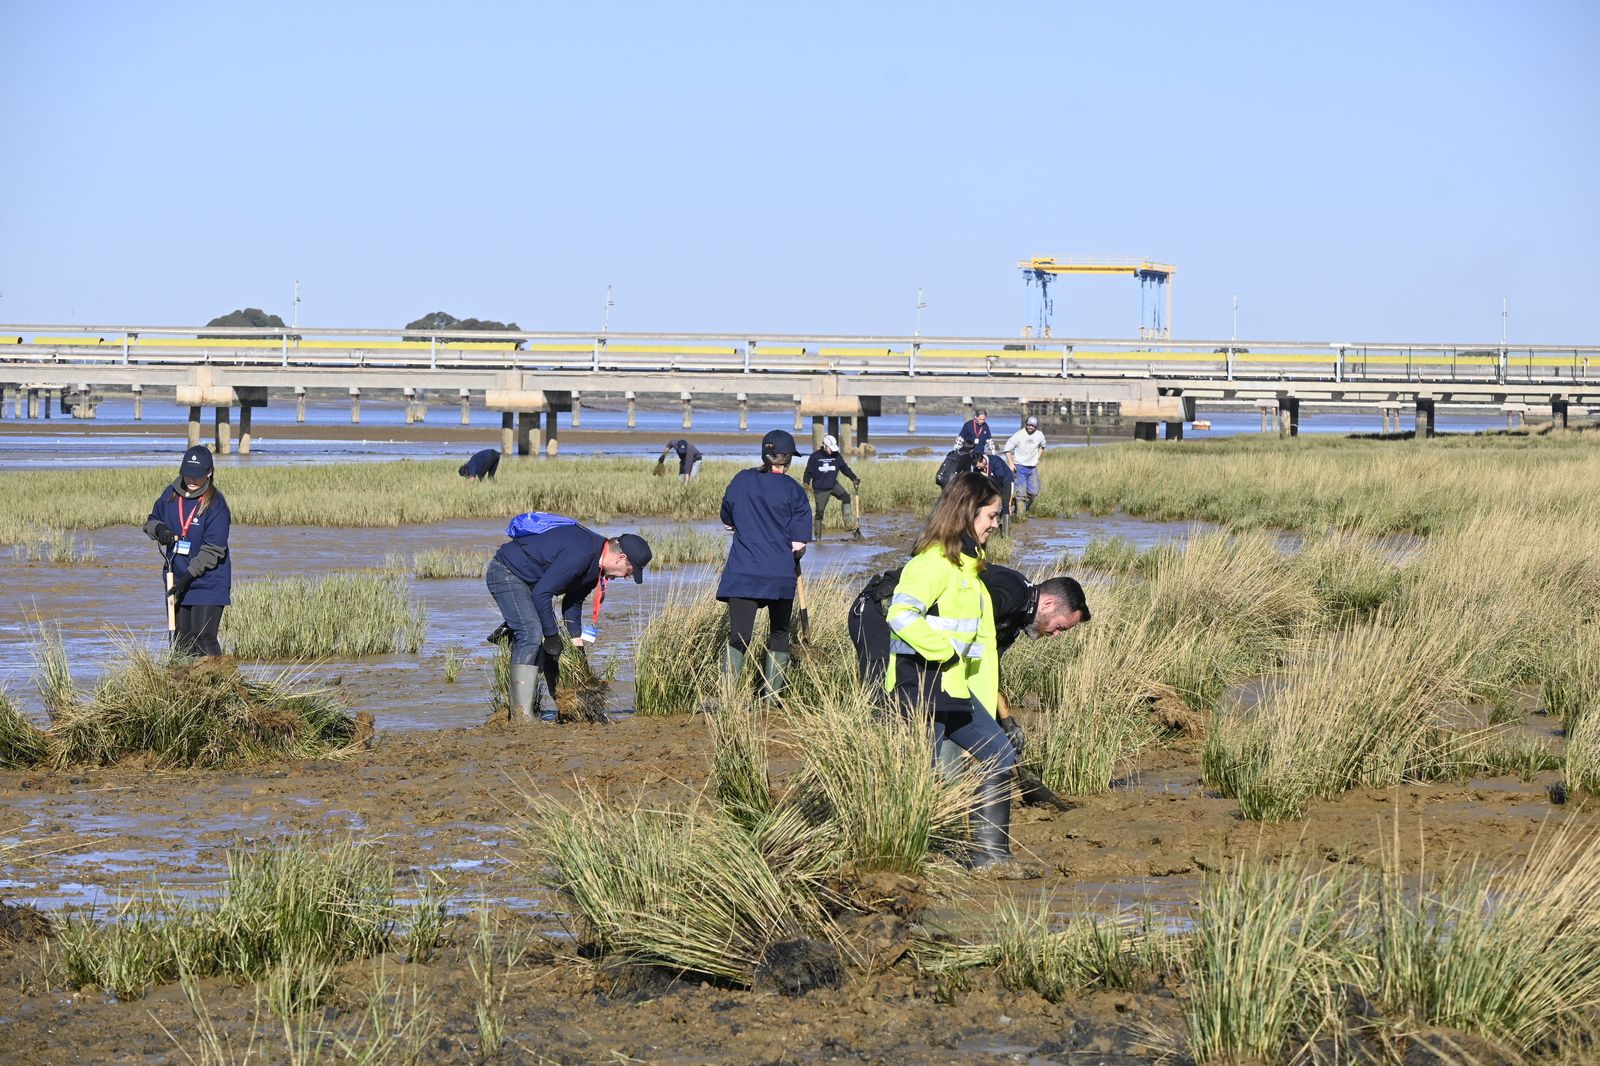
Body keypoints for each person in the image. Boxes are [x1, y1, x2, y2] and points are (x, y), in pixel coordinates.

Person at [883, 472, 1032, 877]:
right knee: (923, 779)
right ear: (968, 513)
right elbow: (901, 615)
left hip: (958, 693)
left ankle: (990, 860)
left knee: (999, 752)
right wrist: (942, 651)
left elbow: (978, 647)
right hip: (923, 690)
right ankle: (907, 860)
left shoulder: (970, 570)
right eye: (992, 514)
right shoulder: (930, 563)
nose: (996, 523)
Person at [485, 523, 652, 722]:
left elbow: (573, 603)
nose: (627, 577)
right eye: (630, 571)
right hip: (507, 572)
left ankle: (565, 707)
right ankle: (521, 717)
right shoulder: (581, 554)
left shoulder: (596, 568)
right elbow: (542, 594)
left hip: (531, 582)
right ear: (621, 558)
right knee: (531, 634)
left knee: (553, 643)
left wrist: (575, 640)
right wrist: (552, 636)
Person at [714, 428, 812, 702]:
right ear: (788, 458)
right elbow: (798, 545)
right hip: (780, 576)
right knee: (779, 632)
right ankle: (771, 698)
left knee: (739, 636)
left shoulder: (741, 480)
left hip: (743, 574)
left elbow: (727, 521)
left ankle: (728, 699)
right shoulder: (794, 490)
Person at [143, 445, 232, 657]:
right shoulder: (170, 494)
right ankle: (187, 686)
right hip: (176, 579)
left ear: (209, 473)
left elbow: (214, 549)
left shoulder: (216, 504)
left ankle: (220, 683)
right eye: (187, 474)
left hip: (208, 580)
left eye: (198, 475)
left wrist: (189, 575)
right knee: (182, 640)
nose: (192, 479)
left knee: (203, 636)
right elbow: (150, 522)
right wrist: (160, 530)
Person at [801, 433, 862, 541]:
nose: (831, 451)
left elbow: (844, 468)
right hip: (820, 489)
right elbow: (808, 472)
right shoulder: (815, 457)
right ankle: (818, 538)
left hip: (833, 485)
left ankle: (848, 525)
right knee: (819, 513)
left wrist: (854, 478)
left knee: (846, 497)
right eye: (830, 448)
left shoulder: (836, 456)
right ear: (824, 445)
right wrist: (806, 483)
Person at [1003, 415, 1047, 518]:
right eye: (1029, 425)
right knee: (1020, 495)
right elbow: (1007, 448)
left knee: (1034, 492)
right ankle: (1020, 516)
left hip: (1032, 468)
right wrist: (1011, 463)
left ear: (1036, 426)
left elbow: (1043, 446)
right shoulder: (1019, 435)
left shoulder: (1039, 435)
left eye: (1033, 426)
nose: (1031, 427)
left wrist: (1037, 458)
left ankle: (1016, 508)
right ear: (1026, 424)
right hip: (1019, 467)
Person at [977, 445, 1015, 537]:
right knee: (994, 507)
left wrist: (987, 477)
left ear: (983, 461)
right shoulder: (979, 467)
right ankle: (997, 529)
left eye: (979, 465)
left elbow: (1000, 477)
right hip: (994, 485)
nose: (978, 468)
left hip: (1006, 483)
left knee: (1006, 506)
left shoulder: (995, 461)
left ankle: (1005, 535)